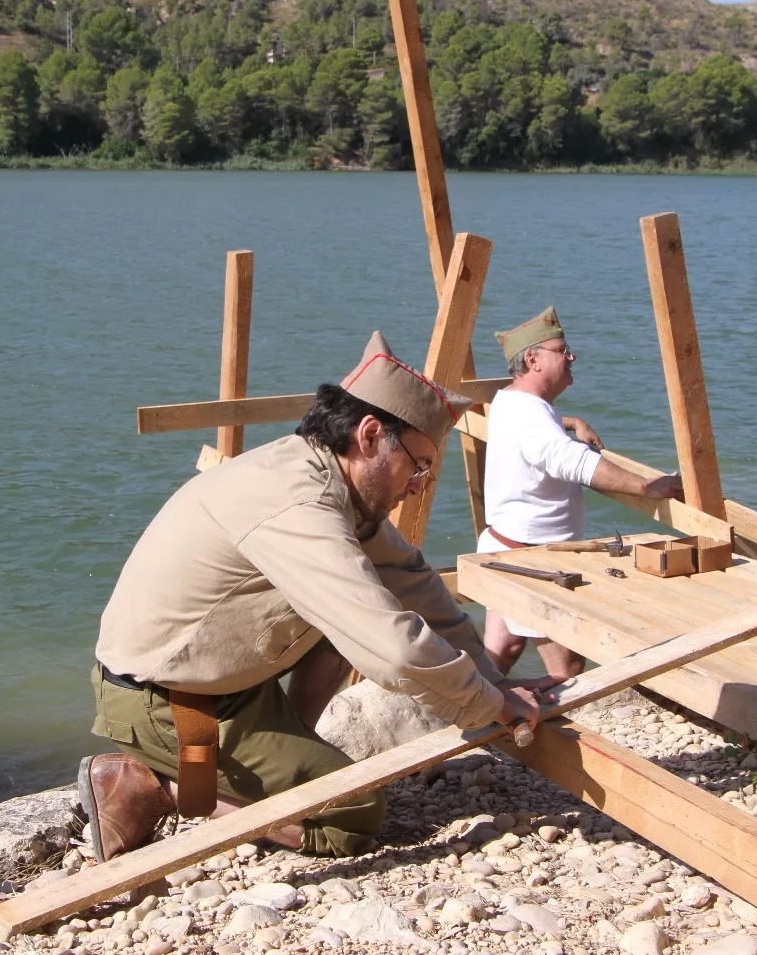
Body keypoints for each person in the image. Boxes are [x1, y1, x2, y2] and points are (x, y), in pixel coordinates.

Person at [82, 331, 560, 862]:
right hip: (166, 697)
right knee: (350, 818)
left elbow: (415, 585)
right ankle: (153, 786)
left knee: (351, 623)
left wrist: (494, 683)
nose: (419, 483)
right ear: (371, 434)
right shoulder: (298, 503)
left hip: (224, 674)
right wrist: (488, 705)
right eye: (418, 464)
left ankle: (281, 758)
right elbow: (394, 648)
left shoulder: (332, 481)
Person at [479, 306, 684, 678]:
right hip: (533, 562)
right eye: (562, 350)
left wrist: (572, 421)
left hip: (502, 546)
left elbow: (543, 431)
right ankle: (534, 727)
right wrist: (647, 487)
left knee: (503, 649)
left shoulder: (510, 400)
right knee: (569, 668)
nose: (572, 356)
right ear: (532, 359)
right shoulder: (532, 418)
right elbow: (569, 460)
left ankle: (478, 714)